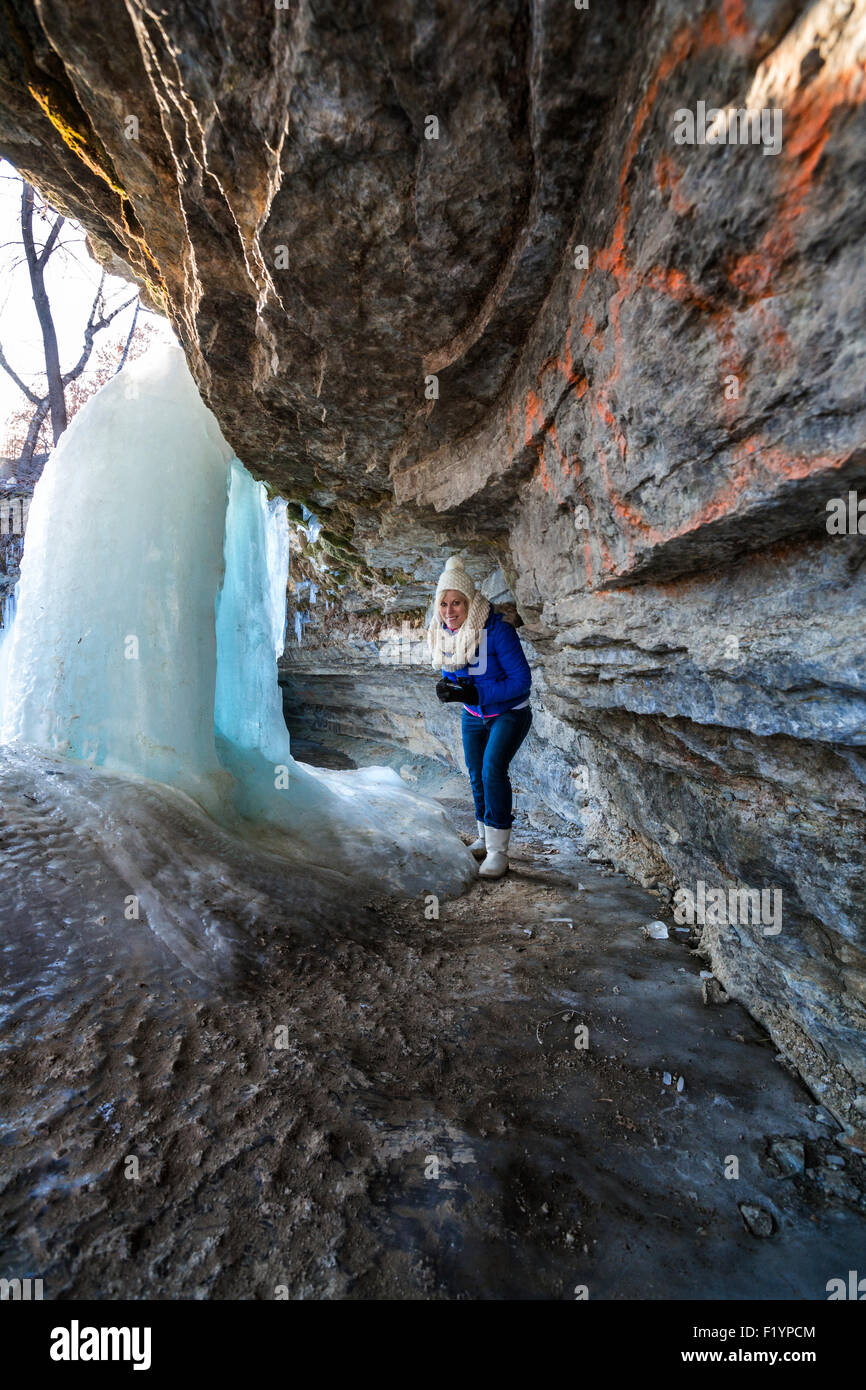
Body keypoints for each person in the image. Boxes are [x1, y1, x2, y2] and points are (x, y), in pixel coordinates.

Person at [427, 555, 532, 878]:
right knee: (474, 773)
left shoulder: (498, 631)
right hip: (473, 715)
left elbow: (521, 681)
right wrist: (451, 688)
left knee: (492, 770)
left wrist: (477, 694)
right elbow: (459, 676)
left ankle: (499, 852)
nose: (449, 612)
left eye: (456, 603)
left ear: (470, 602)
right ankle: (485, 838)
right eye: (444, 604)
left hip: (509, 713)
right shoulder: (443, 634)